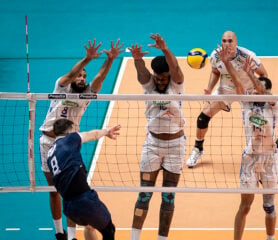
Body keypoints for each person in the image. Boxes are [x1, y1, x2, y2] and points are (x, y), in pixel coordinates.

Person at [39, 39, 124, 240]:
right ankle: (59, 232)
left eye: (84, 76)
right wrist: (87, 59)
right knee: (53, 190)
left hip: (69, 145)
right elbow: (69, 75)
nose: (82, 78)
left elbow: (100, 78)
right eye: (80, 74)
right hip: (47, 142)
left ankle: (70, 236)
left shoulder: (86, 95)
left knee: (70, 191)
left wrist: (110, 60)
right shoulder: (60, 89)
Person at [186, 30, 278, 168]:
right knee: (203, 117)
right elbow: (215, 71)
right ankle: (198, 149)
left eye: (230, 41)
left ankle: (276, 148)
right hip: (226, 90)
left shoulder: (247, 56)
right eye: (224, 41)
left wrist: (261, 92)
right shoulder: (216, 55)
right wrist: (209, 89)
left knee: (260, 125)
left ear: (236, 42)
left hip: (248, 92)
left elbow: (264, 74)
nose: (227, 44)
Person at [217, 45, 278, 240]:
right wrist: (227, 63)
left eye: (260, 89)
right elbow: (237, 84)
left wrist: (251, 74)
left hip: (269, 159)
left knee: (269, 207)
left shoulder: (274, 104)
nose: (256, 91)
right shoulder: (247, 104)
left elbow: (261, 90)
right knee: (245, 206)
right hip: (251, 159)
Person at [128, 33, 185, 240]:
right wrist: (137, 60)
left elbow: (177, 69)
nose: (160, 81)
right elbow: (142, 74)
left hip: (175, 146)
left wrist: (165, 49)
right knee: (144, 195)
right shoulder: (149, 84)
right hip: (152, 145)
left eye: (164, 78)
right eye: (157, 78)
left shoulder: (176, 85)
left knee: (168, 197)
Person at [47, 118, 121, 240]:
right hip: (84, 200)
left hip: (68, 207)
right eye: (75, 128)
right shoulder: (70, 138)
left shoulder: (50, 153)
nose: (78, 130)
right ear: (69, 130)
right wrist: (107, 131)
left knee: (90, 226)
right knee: (109, 230)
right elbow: (93, 135)